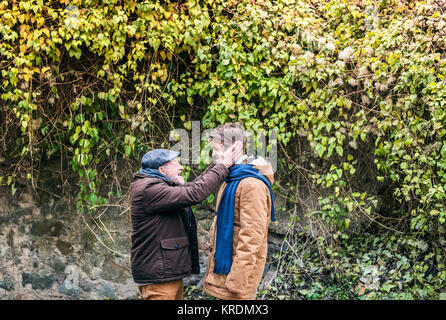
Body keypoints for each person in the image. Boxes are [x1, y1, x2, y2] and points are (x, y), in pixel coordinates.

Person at [130, 142, 243, 300]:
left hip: (167, 274)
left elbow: (194, 186)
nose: (180, 167)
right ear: (162, 170)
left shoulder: (159, 187)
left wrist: (219, 163)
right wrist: (224, 165)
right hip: (159, 278)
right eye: (175, 163)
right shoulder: (149, 189)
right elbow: (194, 192)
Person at [203, 123, 276, 300]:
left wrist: (236, 282)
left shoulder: (251, 184)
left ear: (223, 147)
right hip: (224, 275)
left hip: (237, 282)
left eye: (214, 149)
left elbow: (252, 238)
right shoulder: (232, 177)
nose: (212, 155)